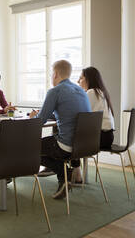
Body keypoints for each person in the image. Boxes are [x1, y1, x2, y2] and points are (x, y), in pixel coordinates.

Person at [29, 60, 91, 199]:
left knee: (30, 147)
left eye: (52, 73)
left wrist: (34, 116)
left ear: (55, 74)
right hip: (84, 145)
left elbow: (40, 121)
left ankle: (64, 176)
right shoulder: (81, 91)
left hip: (66, 146)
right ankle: (66, 174)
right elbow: (67, 112)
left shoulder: (55, 91)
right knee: (48, 143)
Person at [78, 66, 115, 149]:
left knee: (69, 140)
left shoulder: (92, 92)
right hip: (107, 136)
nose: (78, 81)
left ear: (89, 79)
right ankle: (76, 162)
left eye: (81, 78)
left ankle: (74, 161)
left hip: (101, 137)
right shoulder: (100, 92)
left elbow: (80, 115)